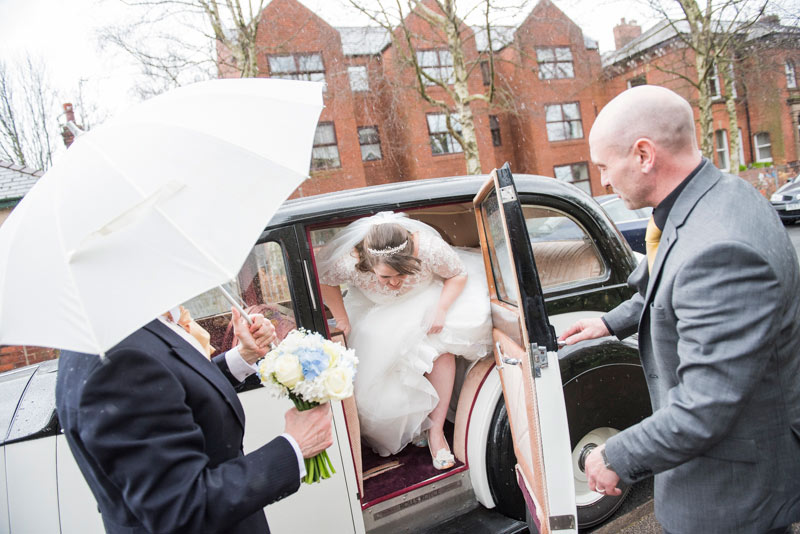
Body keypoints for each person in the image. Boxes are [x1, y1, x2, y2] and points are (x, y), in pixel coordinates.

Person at [560, 85, 800, 533]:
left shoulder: (720, 248)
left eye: (604, 167)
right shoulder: (716, 196)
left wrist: (615, 455)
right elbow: (667, 286)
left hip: (732, 491)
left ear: (644, 154)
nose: (604, 182)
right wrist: (609, 323)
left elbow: (705, 406)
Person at [56, 306, 333, 534]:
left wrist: (242, 357)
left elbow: (172, 392)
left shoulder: (120, 330)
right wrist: (293, 446)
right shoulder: (119, 359)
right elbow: (184, 509)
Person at [317, 211, 492, 469]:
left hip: (426, 300)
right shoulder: (350, 263)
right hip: (376, 310)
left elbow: (457, 274)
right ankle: (415, 427)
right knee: (374, 369)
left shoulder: (429, 248)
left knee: (440, 347)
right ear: (368, 263)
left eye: (403, 273)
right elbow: (325, 282)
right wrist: (341, 318)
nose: (395, 282)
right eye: (385, 277)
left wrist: (441, 309)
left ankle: (437, 432)